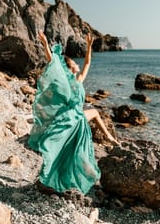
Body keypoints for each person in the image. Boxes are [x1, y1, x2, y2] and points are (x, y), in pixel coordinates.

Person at [28, 31, 118, 195]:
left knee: (69, 152)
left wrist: (89, 46)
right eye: (74, 63)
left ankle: (55, 181)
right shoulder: (68, 82)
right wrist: (45, 45)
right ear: (70, 68)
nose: (78, 64)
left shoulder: (76, 80)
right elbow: (53, 61)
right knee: (93, 119)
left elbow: (87, 64)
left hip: (72, 118)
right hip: (74, 119)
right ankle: (110, 138)